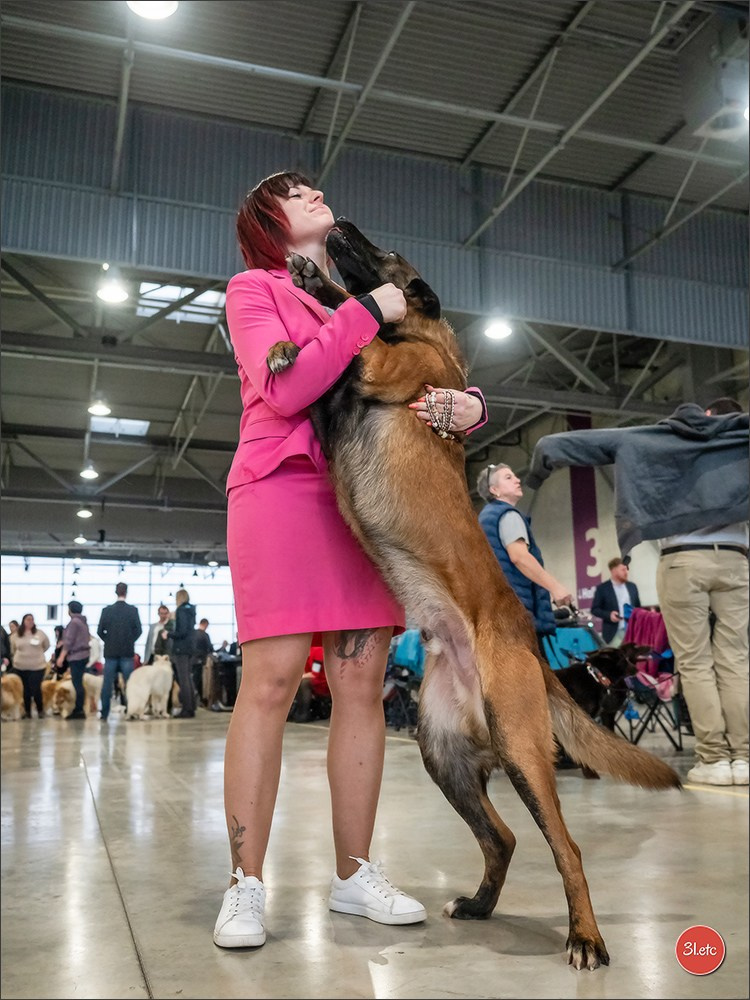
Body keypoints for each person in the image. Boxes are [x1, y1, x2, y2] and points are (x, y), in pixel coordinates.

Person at [213, 170, 487, 949]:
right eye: (292, 192)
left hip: (365, 505)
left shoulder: (358, 296)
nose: (313, 193)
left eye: (313, 187)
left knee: (361, 686)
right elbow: (287, 386)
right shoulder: (255, 291)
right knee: (270, 684)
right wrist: (368, 313)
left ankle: (354, 873)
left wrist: (469, 406)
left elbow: (425, 379)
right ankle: (245, 884)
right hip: (283, 492)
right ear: (266, 221)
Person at [526, 397, 749, 787]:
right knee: (737, 661)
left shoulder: (658, 437)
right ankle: (743, 758)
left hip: (682, 560)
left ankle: (715, 760)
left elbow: (555, 445)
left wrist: (536, 473)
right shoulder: (740, 437)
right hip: (735, 558)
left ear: (705, 415)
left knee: (695, 663)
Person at [476, 463, 573, 650]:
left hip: (496, 612)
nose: (517, 480)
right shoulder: (507, 515)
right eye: (508, 477)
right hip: (516, 614)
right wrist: (555, 587)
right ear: (494, 490)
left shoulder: (485, 518)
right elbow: (519, 557)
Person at [97, 582, 142, 722]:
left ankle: (104, 713)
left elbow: (100, 631)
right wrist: (130, 641)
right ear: (126, 592)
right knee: (130, 684)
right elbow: (139, 630)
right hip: (127, 652)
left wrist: (108, 640)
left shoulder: (106, 611)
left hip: (110, 652)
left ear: (115, 592)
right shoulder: (133, 610)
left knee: (107, 685)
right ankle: (131, 710)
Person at [591, 557, 641, 646]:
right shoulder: (602, 589)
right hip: (613, 633)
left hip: (633, 632)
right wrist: (609, 615)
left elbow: (638, 607)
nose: (626, 572)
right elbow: (595, 609)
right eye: (623, 570)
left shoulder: (632, 587)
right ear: (614, 571)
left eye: (626, 569)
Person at [9, 613, 50, 718]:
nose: (30, 621)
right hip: (20, 667)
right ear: (23, 621)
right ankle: (27, 711)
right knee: (25, 689)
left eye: (32, 619)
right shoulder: (16, 635)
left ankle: (40, 709)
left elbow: (46, 645)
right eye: (28, 619)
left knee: (36, 688)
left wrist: (38, 653)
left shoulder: (40, 633)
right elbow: (13, 649)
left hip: (37, 666)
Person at [56, 601, 90, 720]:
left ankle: (79, 709)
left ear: (70, 610)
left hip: (76, 656)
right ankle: (79, 708)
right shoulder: (83, 622)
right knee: (79, 682)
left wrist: (61, 657)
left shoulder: (74, 623)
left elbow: (69, 641)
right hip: (84, 655)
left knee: (77, 683)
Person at [171, 589, 197, 718]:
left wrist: (168, 634)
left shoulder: (180, 611)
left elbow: (181, 632)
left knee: (183, 679)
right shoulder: (191, 610)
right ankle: (191, 706)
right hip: (190, 648)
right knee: (188, 678)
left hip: (181, 649)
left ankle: (186, 709)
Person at [192, 617, 214, 706]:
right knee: (200, 681)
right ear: (205, 624)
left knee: (192, 680)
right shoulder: (205, 635)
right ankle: (201, 699)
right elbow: (210, 648)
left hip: (191, 660)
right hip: (201, 661)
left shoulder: (193, 633)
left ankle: (193, 699)